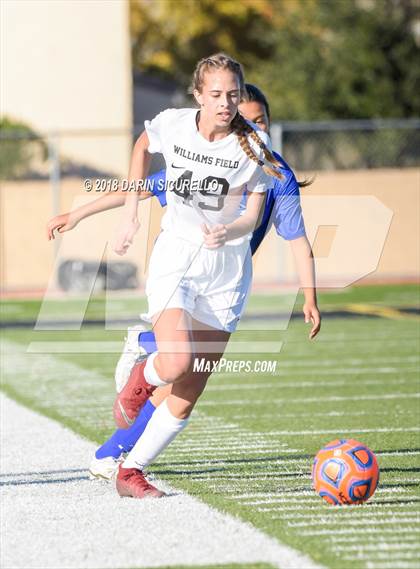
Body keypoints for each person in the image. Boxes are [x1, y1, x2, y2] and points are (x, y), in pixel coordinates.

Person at [47, 82, 321, 487]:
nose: (248, 123)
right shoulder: (203, 154)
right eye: (244, 115)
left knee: (188, 382)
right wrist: (80, 213)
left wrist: (310, 295)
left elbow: (297, 238)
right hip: (180, 271)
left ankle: (114, 454)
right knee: (176, 362)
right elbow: (142, 186)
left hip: (223, 282)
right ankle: (144, 355)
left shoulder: (274, 173)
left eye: (259, 118)